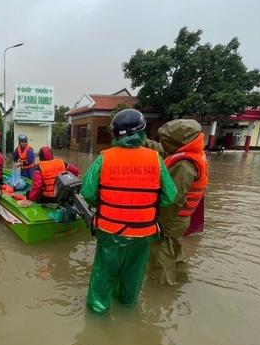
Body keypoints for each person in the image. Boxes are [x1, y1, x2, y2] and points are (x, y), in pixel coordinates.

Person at [81, 109, 177, 314]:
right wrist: (145, 202)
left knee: (104, 272)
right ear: (142, 133)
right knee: (133, 273)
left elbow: (88, 192)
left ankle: (98, 312)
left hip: (110, 230)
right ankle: (126, 306)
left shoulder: (104, 158)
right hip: (143, 232)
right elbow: (170, 197)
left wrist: (108, 203)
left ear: (115, 134)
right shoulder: (155, 159)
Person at [146, 119, 208, 286]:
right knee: (175, 252)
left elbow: (173, 200)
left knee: (161, 258)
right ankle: (180, 282)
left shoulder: (184, 166)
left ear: (177, 143)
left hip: (172, 219)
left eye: (165, 140)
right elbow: (161, 149)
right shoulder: (189, 152)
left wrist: (158, 225)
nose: (162, 143)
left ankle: (161, 294)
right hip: (180, 219)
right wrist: (140, 139)